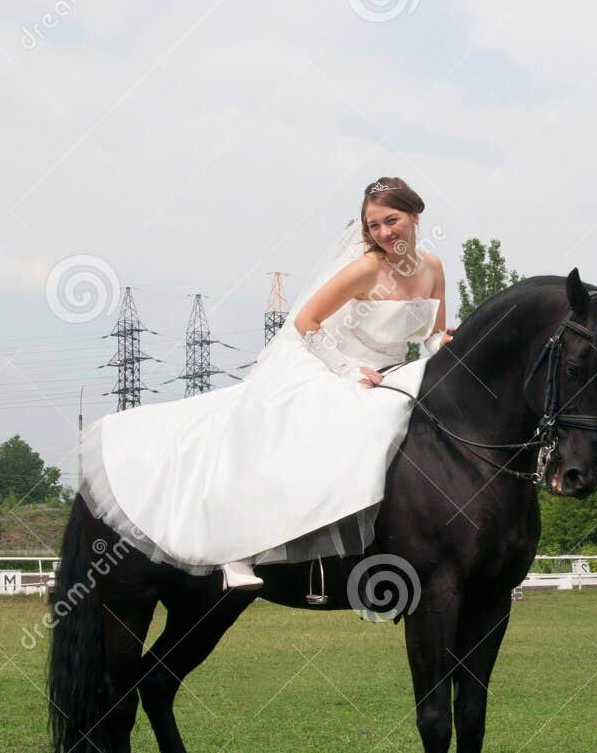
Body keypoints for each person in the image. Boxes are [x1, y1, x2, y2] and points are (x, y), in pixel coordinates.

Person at [77, 177, 453, 591]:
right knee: (310, 425)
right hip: (329, 363)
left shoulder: (433, 268)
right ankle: (241, 546)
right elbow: (306, 323)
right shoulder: (365, 269)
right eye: (373, 225)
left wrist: (446, 342)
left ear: (415, 216)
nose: (383, 233)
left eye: (391, 220)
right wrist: (348, 372)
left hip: (392, 372)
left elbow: (431, 338)